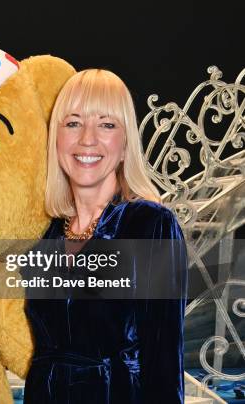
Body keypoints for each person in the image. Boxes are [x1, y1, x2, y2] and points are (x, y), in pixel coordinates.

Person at [23, 69, 187, 403]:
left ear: (125, 144)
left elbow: (164, 361)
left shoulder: (150, 225)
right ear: (55, 138)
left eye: (107, 124)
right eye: (73, 123)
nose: (87, 138)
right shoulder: (41, 232)